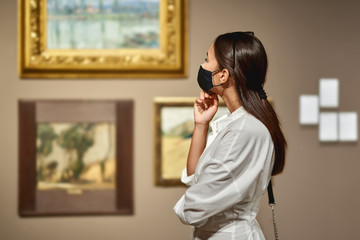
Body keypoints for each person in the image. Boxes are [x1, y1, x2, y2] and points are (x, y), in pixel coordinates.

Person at [173, 31, 287, 239]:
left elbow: (193, 208)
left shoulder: (244, 131)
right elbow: (195, 180)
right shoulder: (239, 125)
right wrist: (201, 126)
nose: (203, 65)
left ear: (223, 75)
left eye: (207, 59)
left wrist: (187, 204)